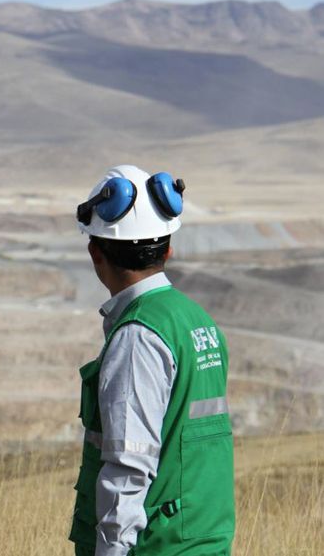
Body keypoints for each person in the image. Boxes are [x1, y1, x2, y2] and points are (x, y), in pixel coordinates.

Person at [69, 166, 235, 556]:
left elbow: (128, 465)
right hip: (200, 539)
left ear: (96, 253)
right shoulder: (196, 320)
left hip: (155, 547)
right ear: (168, 249)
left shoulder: (138, 335)